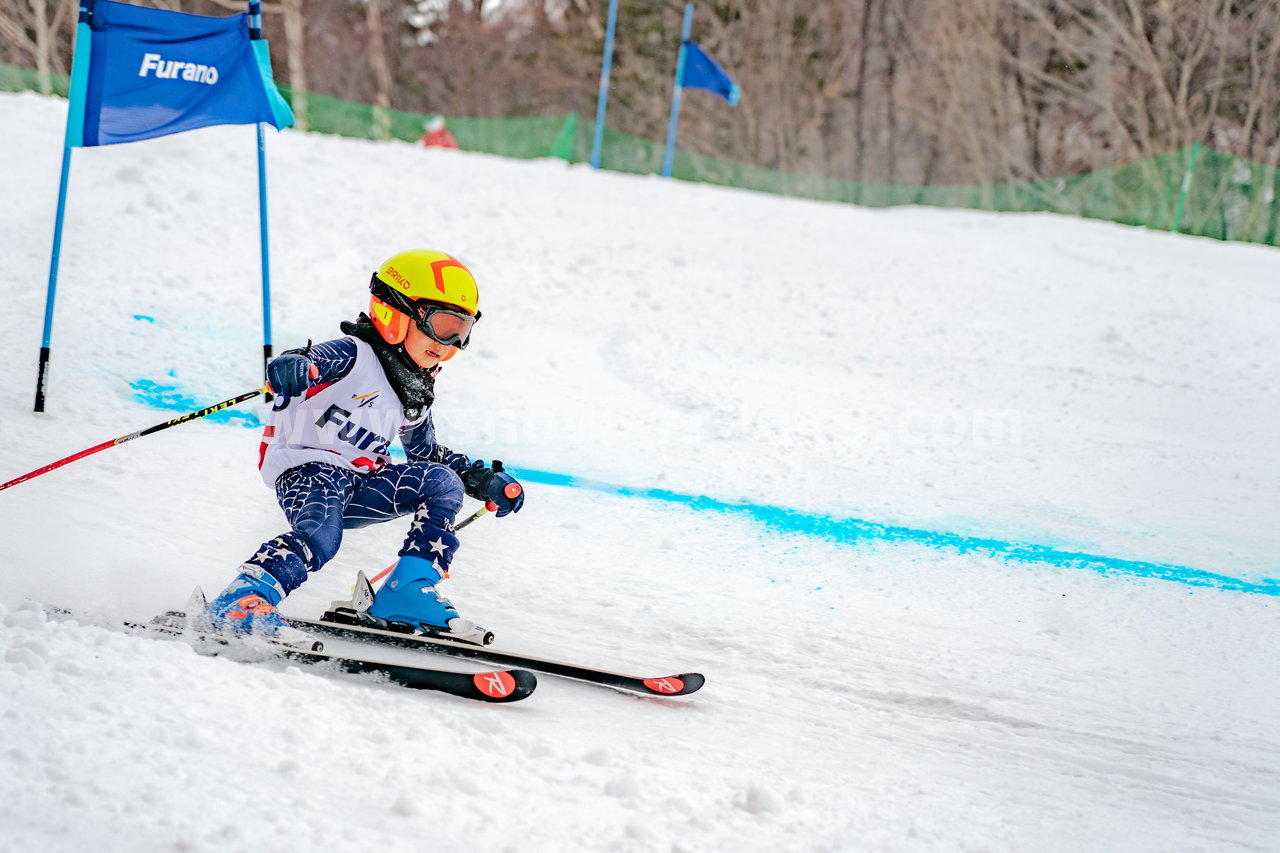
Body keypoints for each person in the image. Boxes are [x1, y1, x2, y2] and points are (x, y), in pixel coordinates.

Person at [203, 249, 523, 643]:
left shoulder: (415, 390)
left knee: (440, 481)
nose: (448, 344)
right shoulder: (354, 354)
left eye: (462, 330)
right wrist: (293, 366)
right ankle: (242, 600)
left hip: (361, 482)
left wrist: (479, 478)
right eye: (442, 325)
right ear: (397, 312)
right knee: (321, 536)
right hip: (309, 470)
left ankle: (406, 590)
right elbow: (307, 358)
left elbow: (426, 455)